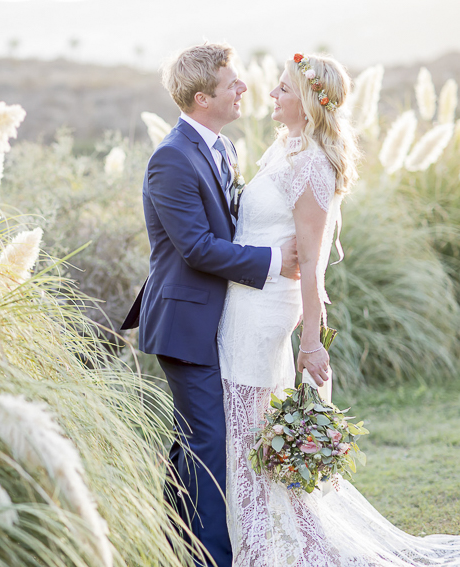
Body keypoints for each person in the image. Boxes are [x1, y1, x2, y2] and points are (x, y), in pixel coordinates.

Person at [218, 52, 460, 566]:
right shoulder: (284, 149)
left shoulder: (311, 164)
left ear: (308, 101)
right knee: (257, 434)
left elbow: (312, 262)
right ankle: (301, 545)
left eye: (284, 88)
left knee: (247, 435)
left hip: (262, 312)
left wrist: (311, 341)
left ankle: (263, 552)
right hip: (245, 302)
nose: (273, 94)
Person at [120, 42, 299, 567]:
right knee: (211, 442)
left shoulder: (224, 147)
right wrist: (275, 260)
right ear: (202, 98)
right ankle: (210, 559)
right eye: (231, 83)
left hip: (221, 320)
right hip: (185, 323)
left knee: (194, 441)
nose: (243, 88)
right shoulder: (171, 158)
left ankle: (174, 545)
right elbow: (196, 247)